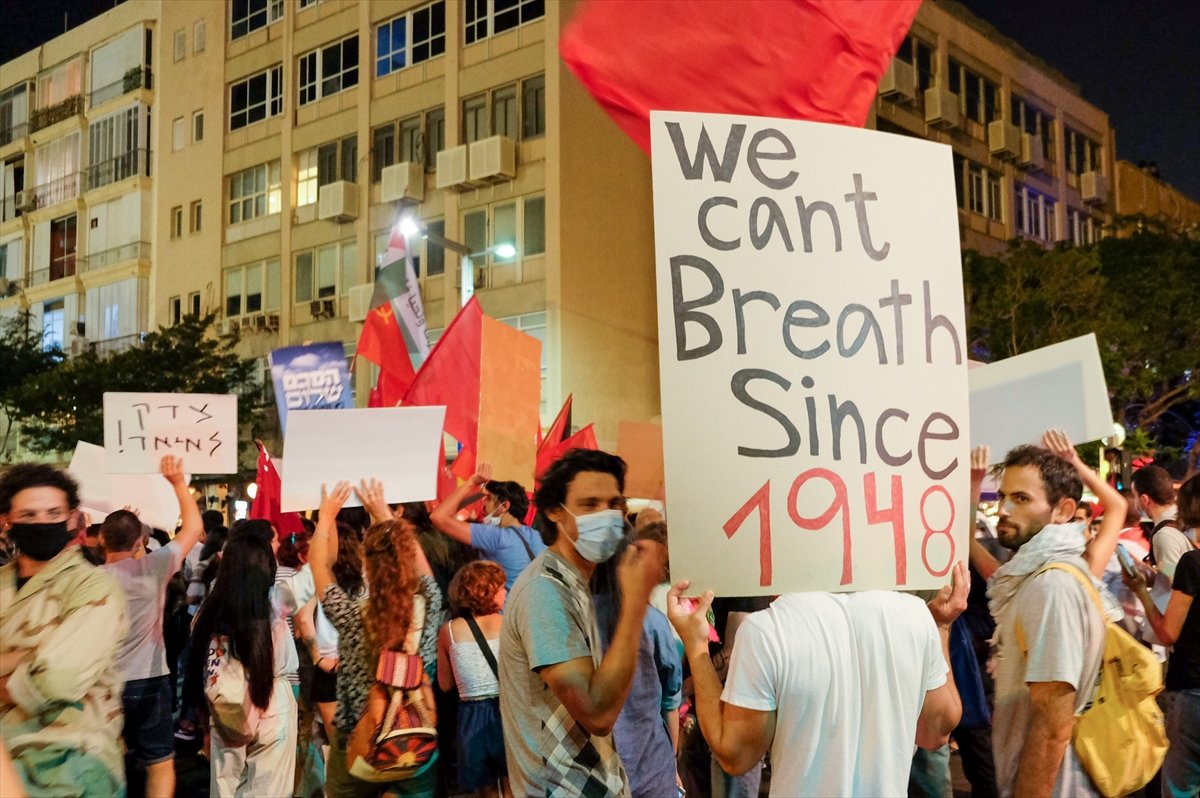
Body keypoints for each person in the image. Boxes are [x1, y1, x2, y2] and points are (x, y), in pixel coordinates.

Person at [666, 560, 967, 797]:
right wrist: (940, 628)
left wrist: (696, 647)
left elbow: (735, 754)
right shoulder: (915, 616)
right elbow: (934, 733)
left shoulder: (766, 630)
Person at [499, 448, 665, 796]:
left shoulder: (574, 581)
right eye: (590, 504)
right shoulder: (544, 592)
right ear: (555, 512)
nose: (606, 516)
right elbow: (597, 713)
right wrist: (635, 602)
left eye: (614, 503)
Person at [974, 430, 1127, 797]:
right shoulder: (1031, 577)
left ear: (1063, 511)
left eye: (1022, 498)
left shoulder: (1050, 586)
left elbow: (1053, 726)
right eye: (1004, 497)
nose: (1004, 509)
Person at [0, 463, 129, 797]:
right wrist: (31, 654)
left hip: (72, 760)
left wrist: (20, 665)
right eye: (28, 515)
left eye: (53, 512)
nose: (42, 522)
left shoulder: (94, 587)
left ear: (72, 519)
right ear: (7, 522)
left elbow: (56, 680)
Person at [312, 480, 445, 798]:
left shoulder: (351, 617)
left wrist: (326, 516)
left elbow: (319, 563)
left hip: (359, 740)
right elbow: (423, 572)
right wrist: (383, 512)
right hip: (414, 738)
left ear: (366, 565)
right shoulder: (428, 605)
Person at [100, 455, 204, 798]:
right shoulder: (154, 568)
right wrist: (176, 482)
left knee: (106, 759)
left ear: (102, 539)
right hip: (149, 680)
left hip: (103, 684)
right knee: (159, 762)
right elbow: (192, 528)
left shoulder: (87, 579)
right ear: (137, 544)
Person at [188, 531, 298, 797]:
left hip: (225, 705)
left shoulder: (206, 614)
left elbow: (198, 671)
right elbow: (310, 580)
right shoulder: (274, 602)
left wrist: (205, 724)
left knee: (225, 787)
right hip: (272, 703)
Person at [592, 538, 683, 798]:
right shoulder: (652, 620)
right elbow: (670, 698)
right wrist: (672, 761)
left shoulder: (573, 621)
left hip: (596, 774)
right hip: (652, 764)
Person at [1125, 536, 1200, 798]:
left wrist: (1139, 591)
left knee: (1181, 789)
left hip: (1192, 692)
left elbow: (1167, 634)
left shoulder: (1193, 563)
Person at [437, 560, 510, 798]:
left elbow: (445, 684)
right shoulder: (508, 623)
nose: (506, 592)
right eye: (501, 587)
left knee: (485, 790)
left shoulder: (448, 630)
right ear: (485, 591)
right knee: (513, 784)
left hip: (471, 717)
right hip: (507, 711)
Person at [431, 462, 544, 590]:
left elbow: (438, 517)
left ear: (504, 506)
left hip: (501, 609)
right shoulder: (537, 537)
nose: (483, 503)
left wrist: (471, 483)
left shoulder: (495, 536)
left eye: (489, 498)